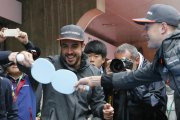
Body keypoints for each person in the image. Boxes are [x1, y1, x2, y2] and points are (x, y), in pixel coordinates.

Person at [75, 4, 180, 119]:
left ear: (163, 28)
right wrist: (94, 80)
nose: (144, 32)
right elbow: (132, 78)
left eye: (147, 27)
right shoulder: (161, 58)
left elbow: (156, 103)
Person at [16, 24, 113, 120]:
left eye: (74, 46)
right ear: (60, 46)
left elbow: (97, 103)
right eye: (65, 46)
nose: (69, 51)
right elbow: (28, 68)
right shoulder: (51, 64)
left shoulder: (94, 72)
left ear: (82, 46)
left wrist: (103, 111)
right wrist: (22, 57)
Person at [112, 43, 167, 120]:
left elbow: (157, 103)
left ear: (137, 60)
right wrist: (110, 79)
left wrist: (132, 80)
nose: (122, 65)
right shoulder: (118, 73)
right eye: (118, 62)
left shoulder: (152, 72)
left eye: (125, 61)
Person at [0, 28, 41, 120]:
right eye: (11, 61)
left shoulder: (32, 79)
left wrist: (27, 43)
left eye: (18, 61)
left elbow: (34, 62)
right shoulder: (3, 82)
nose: (15, 63)